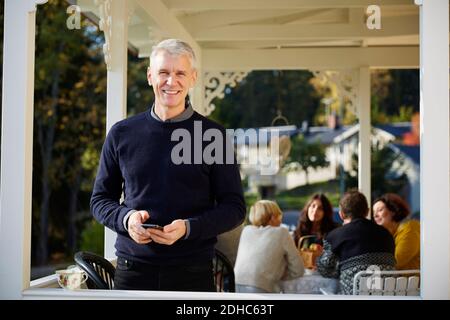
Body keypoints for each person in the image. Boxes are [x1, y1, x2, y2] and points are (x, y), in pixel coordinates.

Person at [90, 39, 246, 292]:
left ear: (193, 78)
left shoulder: (213, 136)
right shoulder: (121, 133)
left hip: (193, 272)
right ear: (150, 76)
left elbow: (235, 207)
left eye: (180, 73)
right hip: (132, 271)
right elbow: (99, 200)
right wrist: (127, 218)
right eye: (163, 72)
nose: (171, 82)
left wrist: (188, 228)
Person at [317, 190, 395, 295]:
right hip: (386, 296)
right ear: (367, 211)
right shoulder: (387, 234)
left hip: (353, 296)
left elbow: (324, 270)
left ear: (341, 214)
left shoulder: (335, 236)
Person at [234, 200, 304, 293]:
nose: (281, 220)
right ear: (272, 217)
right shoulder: (282, 232)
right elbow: (298, 269)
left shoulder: (246, 230)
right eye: (279, 216)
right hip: (262, 288)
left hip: (235, 285)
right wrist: (280, 275)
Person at [373, 193, 420, 270]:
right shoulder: (390, 233)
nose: (375, 215)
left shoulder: (410, 228)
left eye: (380, 210)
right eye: (374, 212)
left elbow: (395, 261)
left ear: (393, 210)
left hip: (411, 281)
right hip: (397, 280)